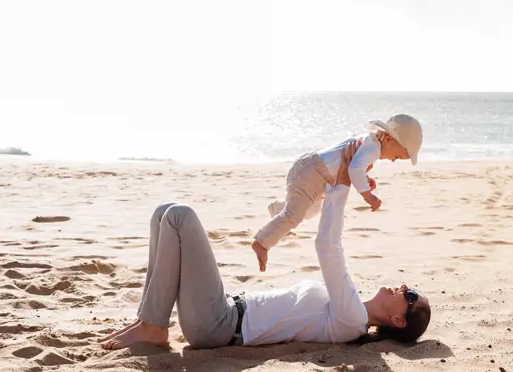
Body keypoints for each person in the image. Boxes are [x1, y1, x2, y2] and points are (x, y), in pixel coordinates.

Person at [100, 141, 430, 351]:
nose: (403, 287)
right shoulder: (351, 305)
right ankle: (148, 321)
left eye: (410, 295)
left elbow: (328, 245)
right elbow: (322, 225)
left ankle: (154, 327)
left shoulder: (353, 319)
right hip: (224, 310)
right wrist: (334, 180)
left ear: (399, 321)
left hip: (220, 325)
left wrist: (343, 185)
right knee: (165, 213)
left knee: (179, 216)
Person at [252, 114, 423, 271]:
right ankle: (262, 243)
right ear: (388, 138)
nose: (393, 160)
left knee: (310, 211)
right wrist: (368, 196)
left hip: (314, 174)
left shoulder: (370, 143)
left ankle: (279, 210)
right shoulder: (374, 149)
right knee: (295, 216)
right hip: (311, 174)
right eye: (398, 156)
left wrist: (364, 177)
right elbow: (355, 168)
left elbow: (354, 166)